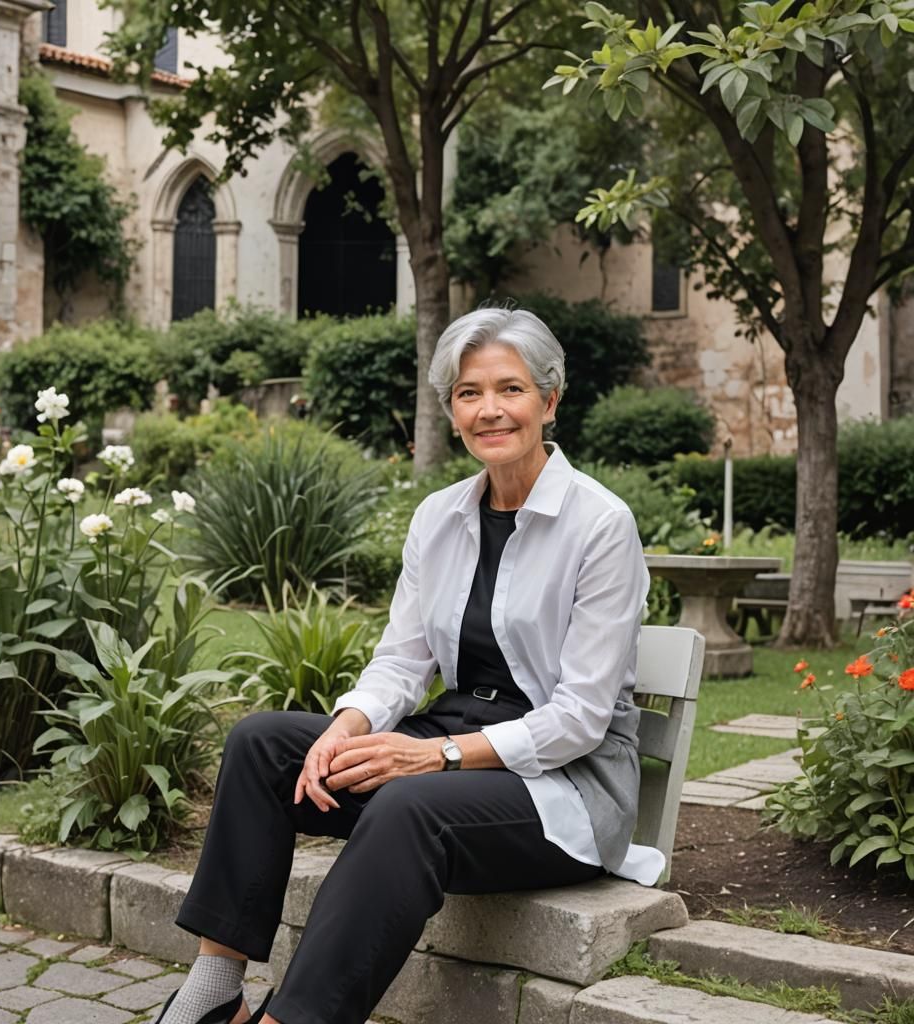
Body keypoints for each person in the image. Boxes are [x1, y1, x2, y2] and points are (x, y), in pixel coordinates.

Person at [155, 307, 661, 1024]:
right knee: (263, 744)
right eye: (468, 393)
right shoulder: (438, 517)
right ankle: (215, 993)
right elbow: (400, 661)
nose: (489, 409)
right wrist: (346, 727)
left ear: (549, 401)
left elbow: (580, 719)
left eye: (510, 389)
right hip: (451, 746)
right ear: (452, 411)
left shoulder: (601, 525)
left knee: (406, 803)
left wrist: (433, 758)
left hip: (562, 789)